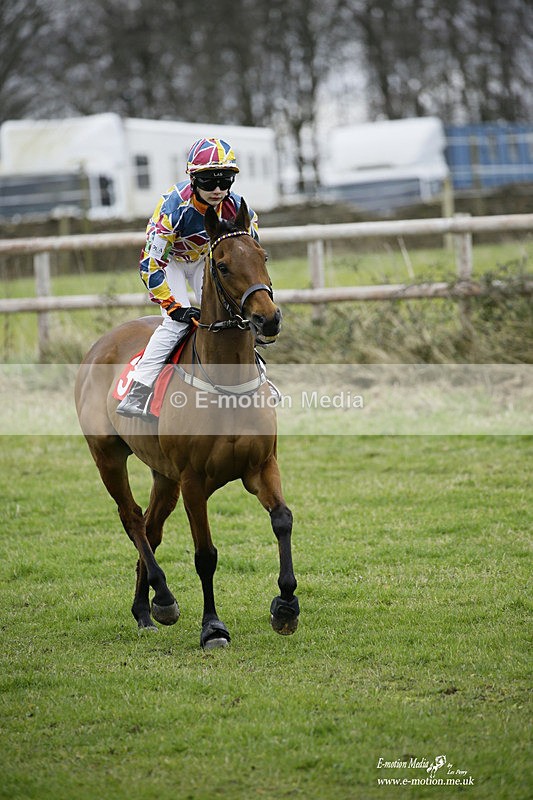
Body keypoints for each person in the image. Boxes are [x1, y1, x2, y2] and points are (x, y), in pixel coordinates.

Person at [116, 137, 259, 418]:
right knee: (175, 326)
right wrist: (173, 306)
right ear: (193, 179)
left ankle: (259, 378)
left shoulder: (239, 207)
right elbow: (150, 264)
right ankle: (139, 388)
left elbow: (250, 253)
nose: (218, 190)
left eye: (225, 181)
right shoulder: (173, 208)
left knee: (235, 317)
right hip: (171, 262)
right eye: (208, 182)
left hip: (206, 261)